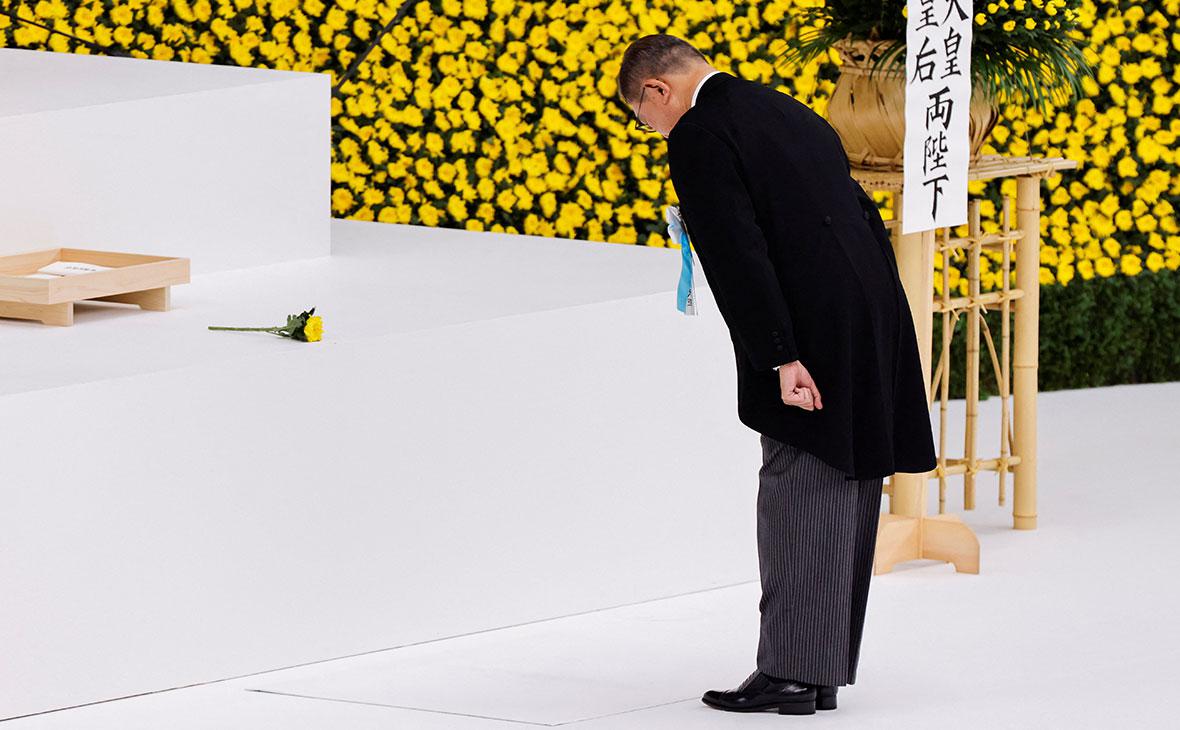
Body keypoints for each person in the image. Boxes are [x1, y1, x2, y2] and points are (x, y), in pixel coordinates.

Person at [616, 34, 938, 715]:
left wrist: (779, 356)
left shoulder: (701, 132)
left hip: (808, 325)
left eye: (646, 119)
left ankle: (791, 671)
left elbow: (737, 252)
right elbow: (857, 213)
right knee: (848, 481)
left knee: (798, 484)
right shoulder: (784, 108)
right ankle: (818, 670)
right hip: (869, 305)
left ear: (656, 90)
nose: (656, 130)